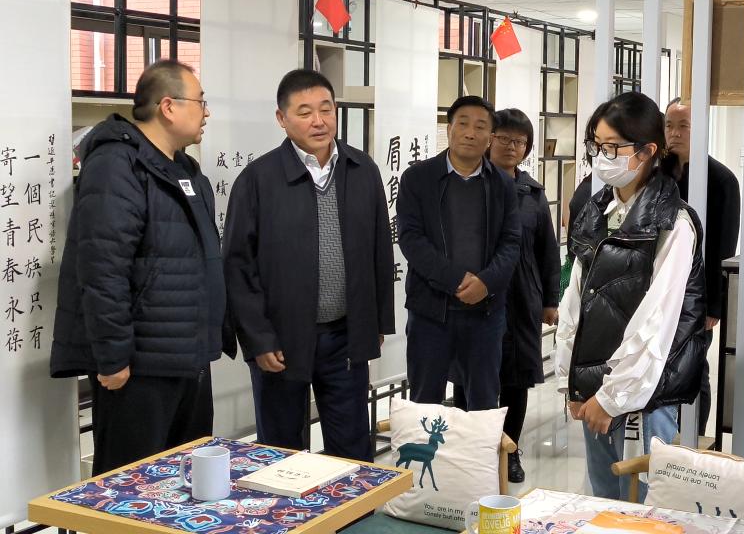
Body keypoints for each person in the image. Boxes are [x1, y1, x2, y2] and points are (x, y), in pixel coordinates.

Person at [50, 60, 225, 475]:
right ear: (168, 106)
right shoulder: (117, 164)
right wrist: (112, 357)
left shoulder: (186, 170)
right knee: (131, 485)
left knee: (187, 481)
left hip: (188, 357)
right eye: (200, 102)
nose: (206, 113)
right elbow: (102, 269)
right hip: (139, 367)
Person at [223, 69, 394, 461]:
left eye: (326, 109)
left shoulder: (362, 169)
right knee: (282, 451)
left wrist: (377, 321)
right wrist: (258, 339)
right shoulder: (258, 179)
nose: (319, 121)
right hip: (281, 340)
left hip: (345, 335)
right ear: (282, 119)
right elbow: (237, 266)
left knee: (352, 448)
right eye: (304, 112)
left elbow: (380, 251)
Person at [556, 91, 708, 502]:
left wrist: (614, 397)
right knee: (603, 500)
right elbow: (575, 300)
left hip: (645, 390)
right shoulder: (596, 210)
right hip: (597, 386)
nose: (602, 157)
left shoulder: (673, 222)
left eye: (613, 147)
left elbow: (657, 321)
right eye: (597, 146)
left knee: (644, 507)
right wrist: (574, 383)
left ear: (647, 151)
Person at [452, 108, 560, 482]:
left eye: (520, 141)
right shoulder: (467, 183)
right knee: (469, 376)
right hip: (474, 298)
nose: (512, 147)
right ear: (489, 140)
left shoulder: (532, 193)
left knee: (515, 379)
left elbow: (548, 249)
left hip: (520, 299)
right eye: (504, 138)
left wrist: (550, 300)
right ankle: (470, 451)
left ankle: (509, 452)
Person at [397, 95, 521, 412]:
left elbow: (511, 242)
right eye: (463, 123)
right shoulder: (418, 178)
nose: (470, 133)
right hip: (430, 312)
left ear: (490, 137)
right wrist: (455, 279)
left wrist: (486, 283)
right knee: (425, 404)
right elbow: (411, 239)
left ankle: (480, 450)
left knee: (483, 404)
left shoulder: (503, 184)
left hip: (486, 314)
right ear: (449, 129)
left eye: (480, 126)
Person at [663, 99, 740, 437]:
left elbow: (724, 245)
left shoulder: (722, 180)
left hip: (697, 294)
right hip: (658, 288)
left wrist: (714, 305)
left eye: (684, 126)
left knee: (693, 366)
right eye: (669, 125)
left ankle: (694, 436)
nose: (675, 133)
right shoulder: (657, 176)